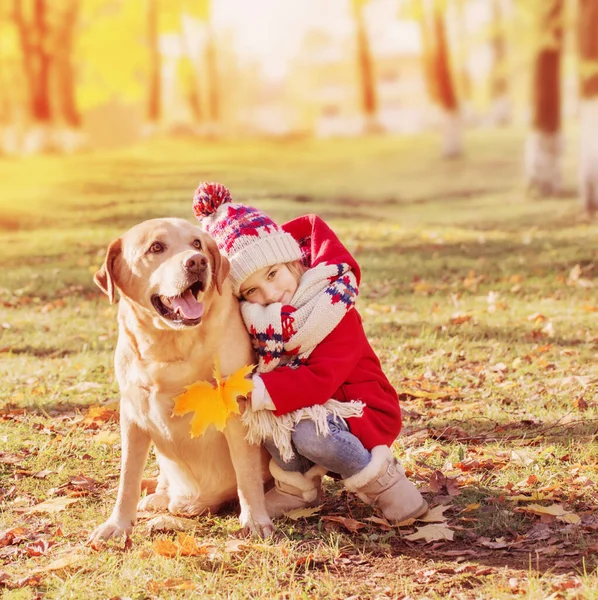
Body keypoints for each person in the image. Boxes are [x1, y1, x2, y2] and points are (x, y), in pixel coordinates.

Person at [192, 182, 428, 523]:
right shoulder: (258, 323)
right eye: (253, 290)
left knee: (310, 434)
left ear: (292, 262)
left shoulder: (332, 306)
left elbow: (320, 380)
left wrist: (255, 390)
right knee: (265, 420)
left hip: (357, 407)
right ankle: (297, 487)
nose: (272, 294)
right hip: (301, 405)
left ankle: (384, 482)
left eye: (273, 274)